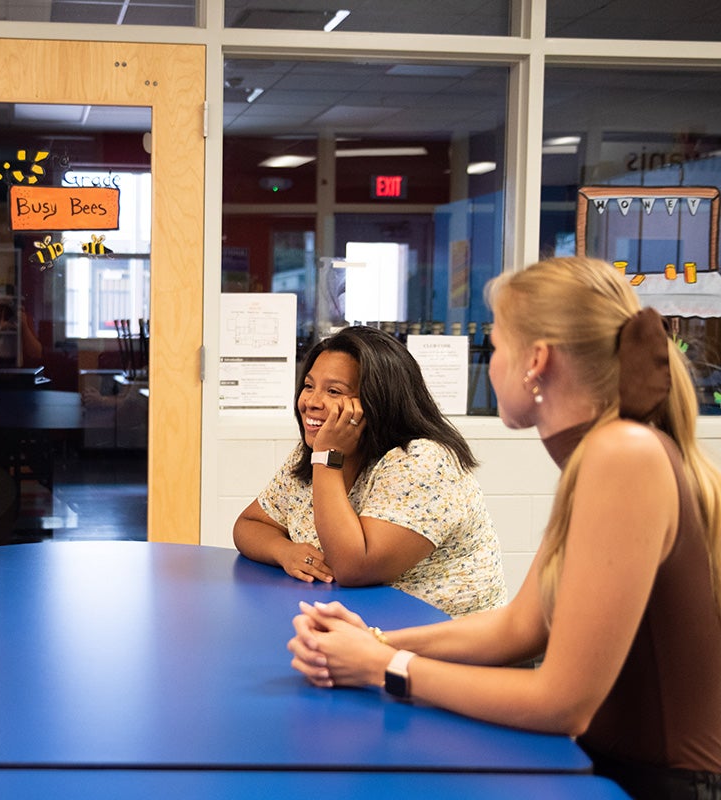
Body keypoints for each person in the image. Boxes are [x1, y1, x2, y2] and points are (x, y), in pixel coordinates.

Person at [287, 257, 721, 800]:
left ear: (536, 361)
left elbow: (563, 701)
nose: (488, 366)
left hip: (658, 784)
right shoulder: (601, 455)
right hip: (612, 767)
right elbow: (518, 627)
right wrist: (369, 641)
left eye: (495, 347)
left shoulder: (622, 455)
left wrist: (385, 668)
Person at [234, 326, 506, 617]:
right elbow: (249, 525)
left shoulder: (422, 460)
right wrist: (284, 551)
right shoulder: (313, 450)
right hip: (360, 636)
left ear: (377, 400)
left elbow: (353, 568)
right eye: (309, 385)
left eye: (334, 391)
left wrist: (327, 459)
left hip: (447, 648)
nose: (311, 401)